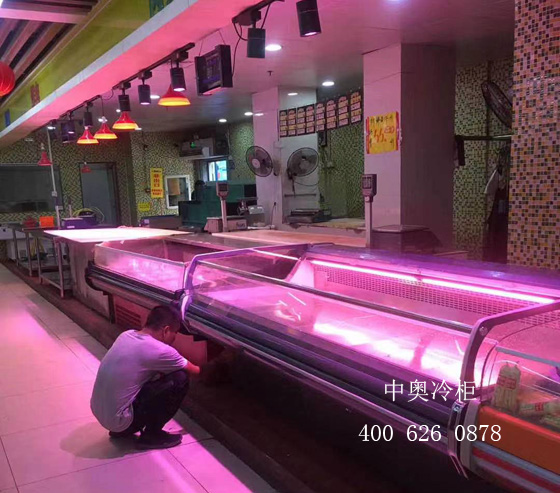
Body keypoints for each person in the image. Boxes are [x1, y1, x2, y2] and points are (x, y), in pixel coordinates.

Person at [91, 305, 200, 450]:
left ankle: (121, 430)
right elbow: (196, 371)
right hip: (120, 421)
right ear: (166, 330)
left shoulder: (126, 335)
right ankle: (152, 435)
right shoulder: (161, 350)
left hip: (100, 412)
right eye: (175, 333)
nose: (174, 338)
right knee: (180, 378)